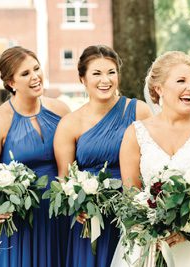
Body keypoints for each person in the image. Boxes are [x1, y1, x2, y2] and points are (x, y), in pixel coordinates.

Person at [111, 51, 190, 267]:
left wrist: (188, 227)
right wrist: (152, 226)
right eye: (181, 81)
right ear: (159, 88)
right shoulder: (135, 133)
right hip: (153, 242)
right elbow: (131, 194)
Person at [54, 45, 152, 267]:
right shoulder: (70, 124)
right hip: (90, 219)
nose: (105, 80)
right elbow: (64, 177)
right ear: (83, 79)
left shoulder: (139, 111)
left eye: (111, 72)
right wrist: (76, 204)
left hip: (132, 212)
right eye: (96, 74)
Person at [0, 46, 71, 267]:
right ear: (11, 82)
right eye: (25, 73)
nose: (35, 76)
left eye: (36, 68)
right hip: (18, 223)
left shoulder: (61, 110)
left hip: (57, 216)